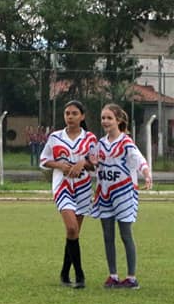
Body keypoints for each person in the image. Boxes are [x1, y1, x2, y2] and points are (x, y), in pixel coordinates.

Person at [91, 104, 152, 290]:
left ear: (118, 120)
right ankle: (113, 275)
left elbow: (139, 160)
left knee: (125, 234)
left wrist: (147, 174)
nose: (105, 121)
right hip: (105, 194)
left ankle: (131, 277)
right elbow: (95, 165)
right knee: (108, 235)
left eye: (109, 118)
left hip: (124, 193)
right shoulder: (100, 144)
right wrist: (92, 164)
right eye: (103, 118)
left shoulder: (126, 142)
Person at [39, 101, 97, 288]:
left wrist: (83, 163)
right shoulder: (55, 137)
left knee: (74, 232)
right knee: (72, 228)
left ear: (82, 116)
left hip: (82, 187)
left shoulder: (90, 138)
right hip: (62, 185)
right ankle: (80, 275)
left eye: (74, 113)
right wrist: (60, 165)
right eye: (67, 113)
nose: (70, 116)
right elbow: (44, 160)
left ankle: (64, 273)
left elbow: (95, 163)